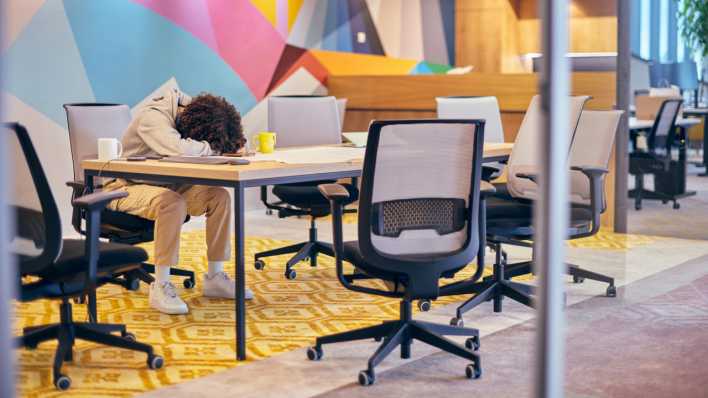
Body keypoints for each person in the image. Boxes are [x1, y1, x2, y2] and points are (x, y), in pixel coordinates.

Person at [104, 88, 251, 315]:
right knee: (171, 203)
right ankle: (161, 285)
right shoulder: (153, 118)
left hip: (166, 183)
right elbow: (180, 149)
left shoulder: (194, 111)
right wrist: (214, 148)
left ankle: (215, 277)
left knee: (219, 195)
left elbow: (220, 133)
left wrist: (234, 143)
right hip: (124, 185)